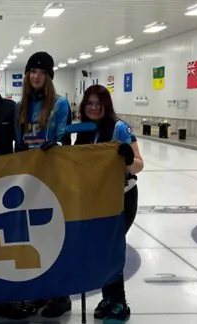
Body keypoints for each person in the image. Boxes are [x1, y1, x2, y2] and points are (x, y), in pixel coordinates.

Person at [0, 52, 73, 321]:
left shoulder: (60, 104)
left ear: (48, 76)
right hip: (29, 177)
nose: (36, 76)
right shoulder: (20, 106)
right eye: (32, 71)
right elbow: (19, 143)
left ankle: (61, 296)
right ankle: (39, 290)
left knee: (53, 234)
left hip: (52, 176)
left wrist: (58, 146)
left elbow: (64, 139)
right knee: (34, 236)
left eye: (41, 72)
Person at [74, 84, 144, 324]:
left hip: (122, 196)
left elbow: (138, 165)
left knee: (111, 246)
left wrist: (127, 158)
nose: (94, 108)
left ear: (106, 105)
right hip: (96, 198)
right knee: (100, 248)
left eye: (98, 103)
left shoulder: (119, 128)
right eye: (89, 103)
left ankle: (119, 302)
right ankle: (108, 298)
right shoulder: (84, 131)